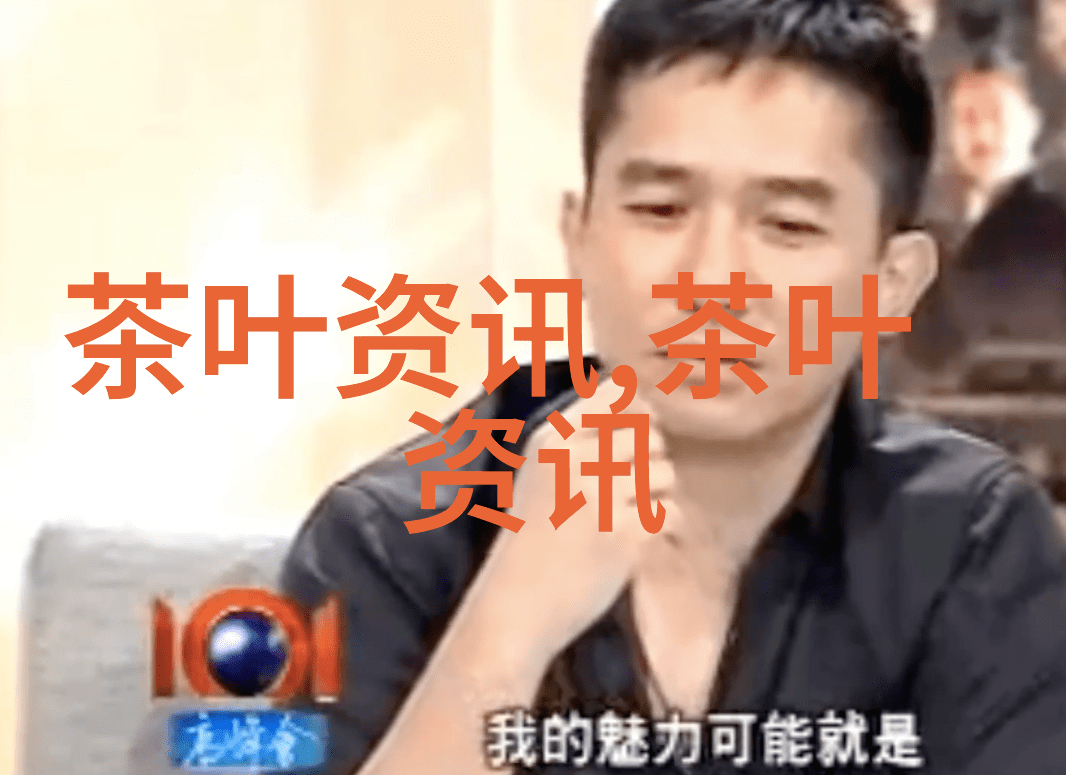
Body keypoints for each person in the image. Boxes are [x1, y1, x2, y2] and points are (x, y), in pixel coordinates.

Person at [281, 1, 1066, 773]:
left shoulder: (968, 541)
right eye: (661, 209)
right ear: (580, 238)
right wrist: (508, 626)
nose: (713, 278)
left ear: (891, 283)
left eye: (788, 225)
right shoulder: (391, 541)